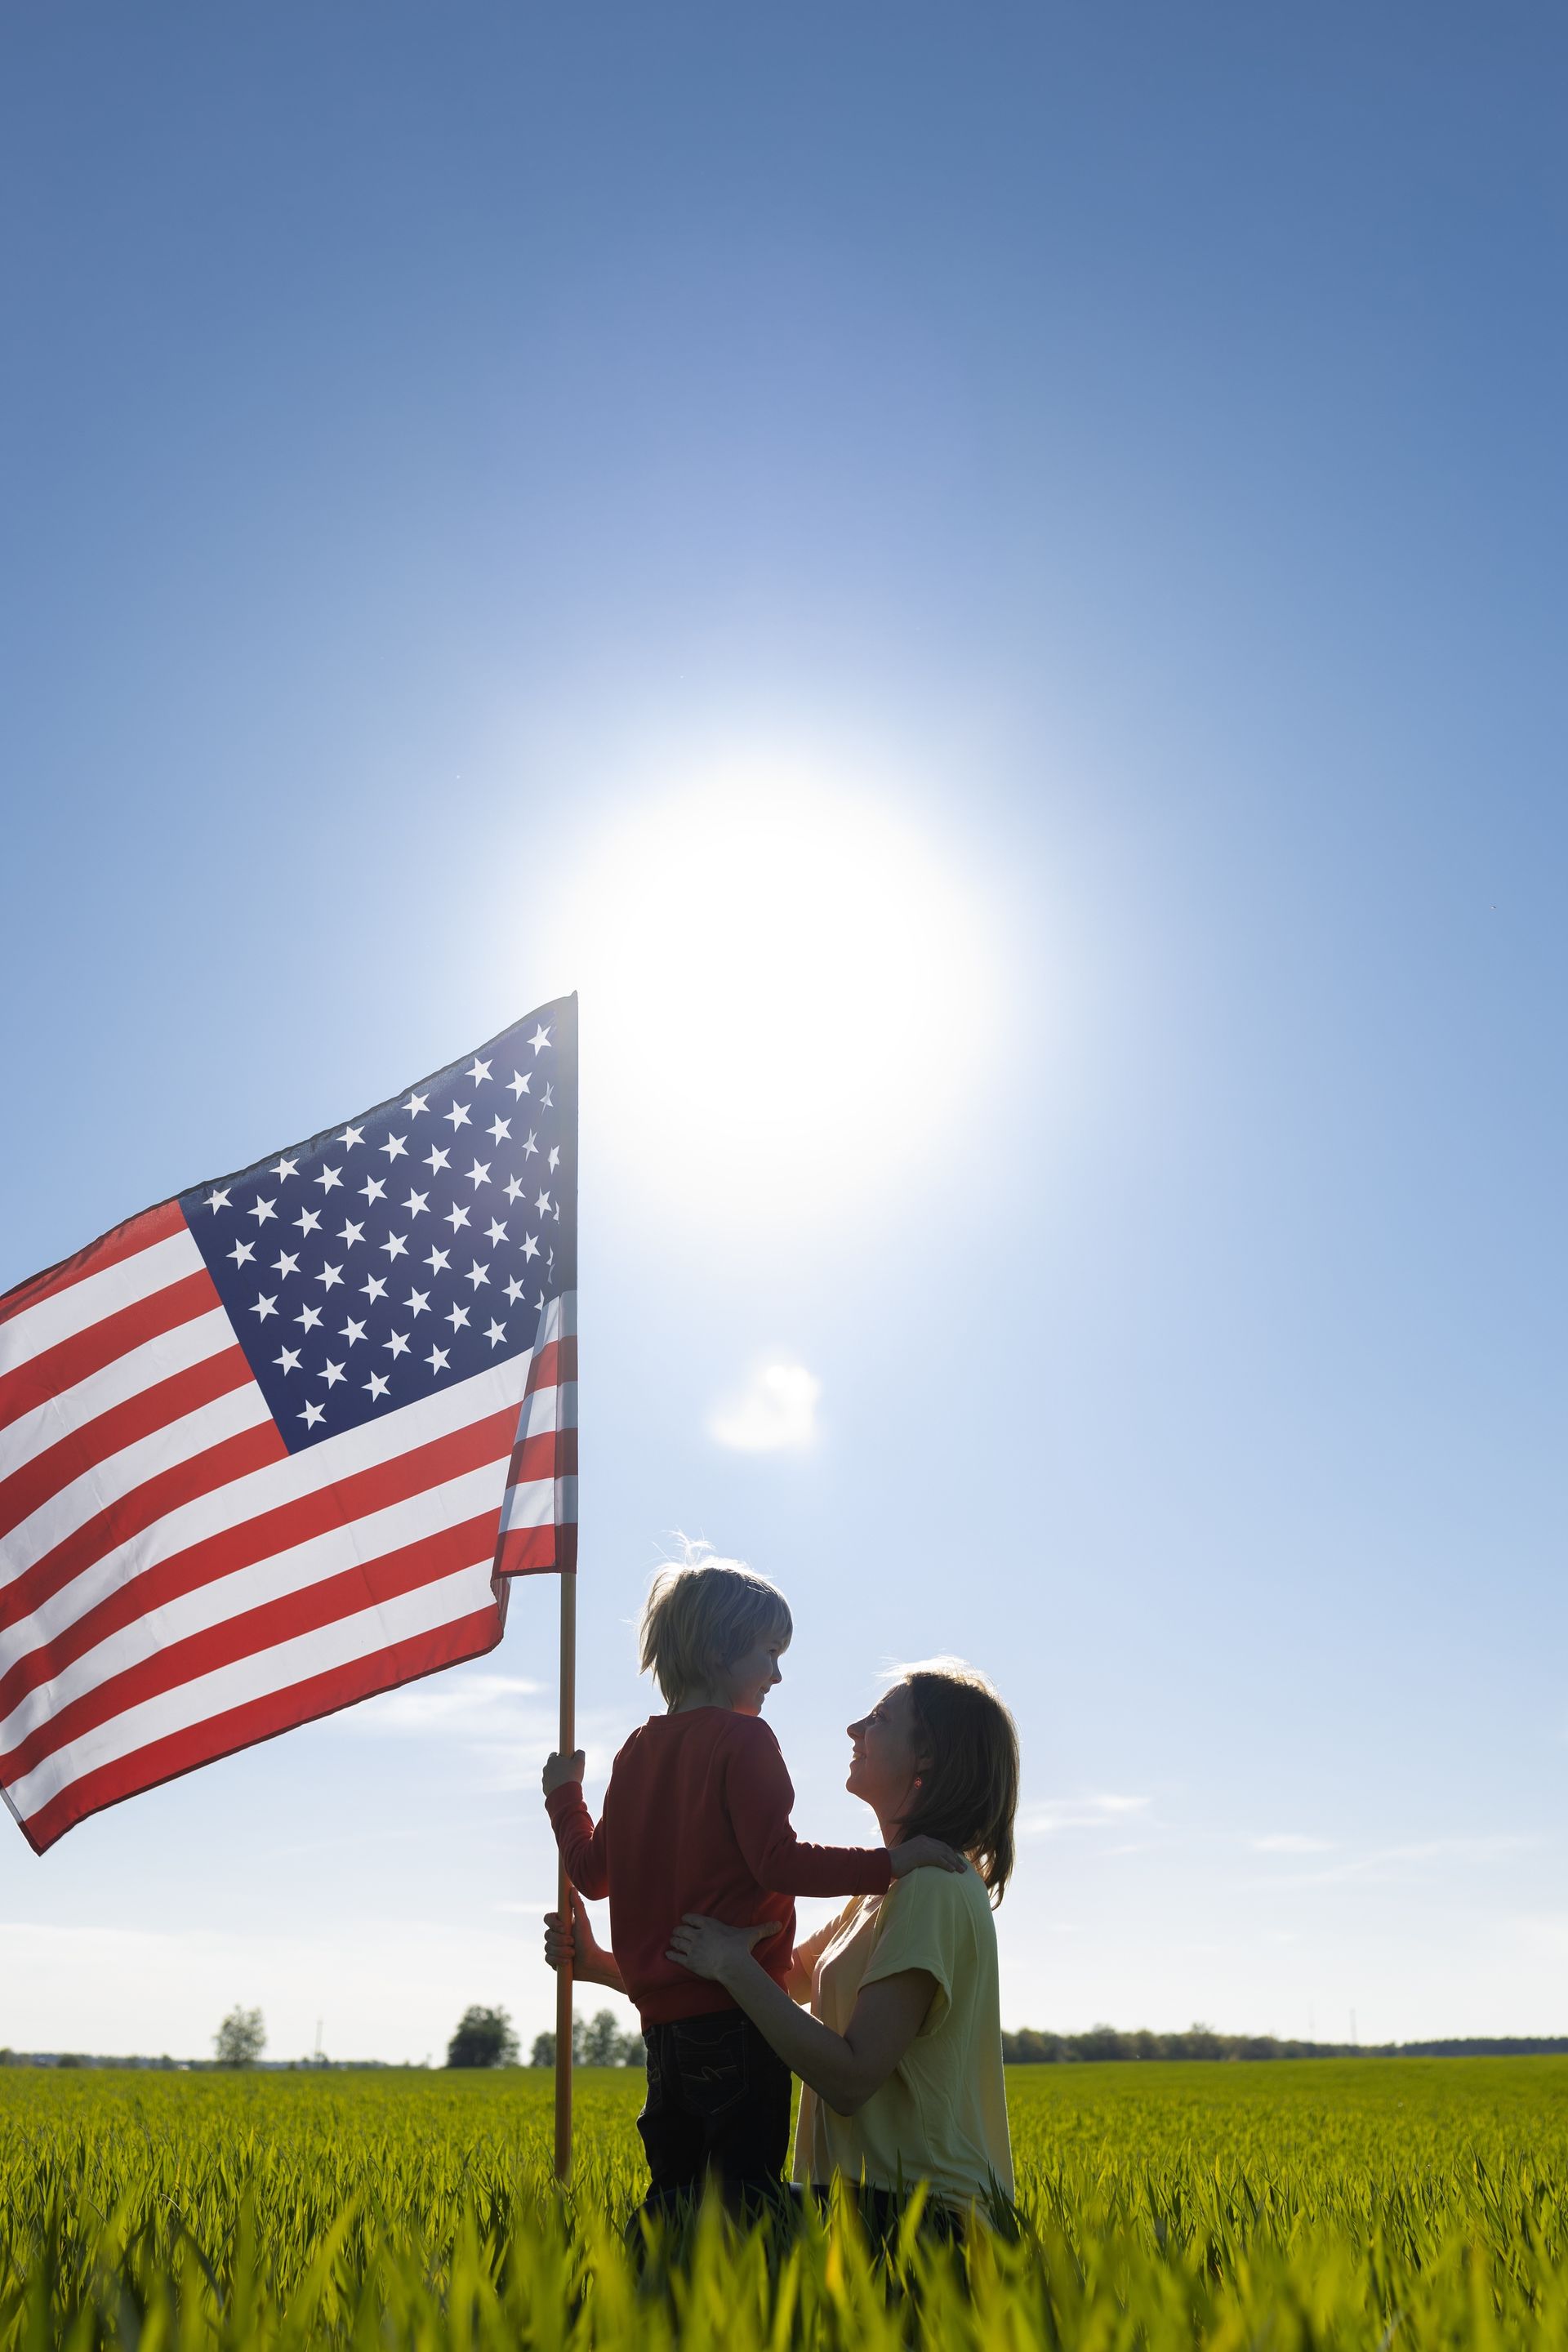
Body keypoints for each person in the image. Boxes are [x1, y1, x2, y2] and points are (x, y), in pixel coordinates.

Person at [540, 1548, 964, 2215]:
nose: (777, 1674)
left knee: (677, 2201)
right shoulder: (745, 1742)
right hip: (741, 2028)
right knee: (745, 2207)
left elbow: (593, 1877)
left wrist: (566, 1799)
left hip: (660, 2037)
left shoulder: (633, 1753)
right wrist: (890, 1865)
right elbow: (780, 1862)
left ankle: (651, 2308)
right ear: (720, 1652)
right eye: (769, 1653)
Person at [661, 1659, 1018, 2237]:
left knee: (683, 2221)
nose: (854, 1729)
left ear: (926, 1754)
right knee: (686, 2213)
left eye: (878, 1718)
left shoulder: (934, 1887)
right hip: (865, 2205)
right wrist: (605, 1966)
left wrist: (729, 1962)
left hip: (931, 2221)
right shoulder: (886, 1887)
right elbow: (779, 1982)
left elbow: (853, 2079)